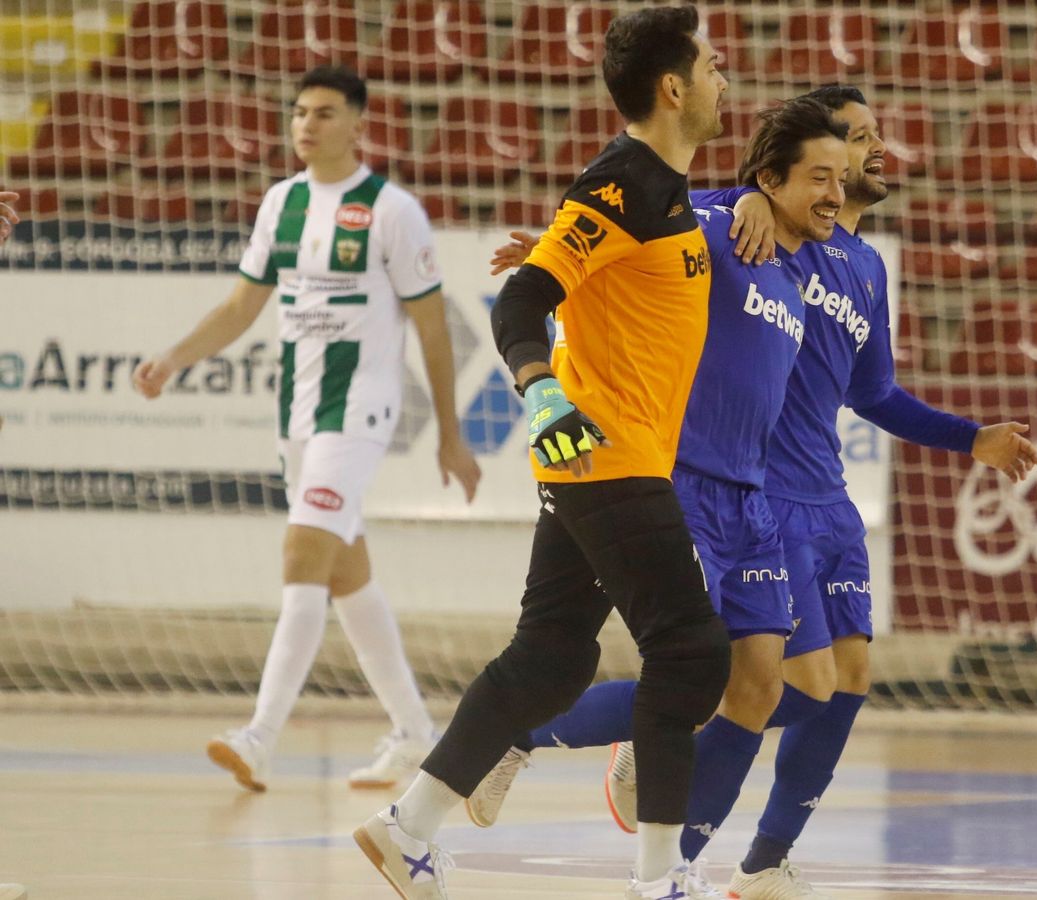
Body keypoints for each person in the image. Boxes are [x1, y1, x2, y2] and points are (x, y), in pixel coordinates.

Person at [481, 84, 1037, 900]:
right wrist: (726, 199)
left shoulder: (866, 266)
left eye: (877, 138)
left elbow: (874, 393)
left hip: (827, 497)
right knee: (753, 680)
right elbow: (654, 226)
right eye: (856, 137)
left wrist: (970, 437)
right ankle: (571, 763)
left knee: (838, 679)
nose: (870, 151)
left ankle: (761, 858)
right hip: (751, 488)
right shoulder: (750, 219)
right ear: (801, 167)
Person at [352, 8, 733, 900]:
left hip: (612, 456)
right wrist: (543, 388)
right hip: (602, 450)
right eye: (714, 66)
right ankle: (657, 881)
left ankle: (406, 826)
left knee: (556, 659)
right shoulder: (620, 182)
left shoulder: (669, 192)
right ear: (674, 88)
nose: (726, 80)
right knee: (690, 652)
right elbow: (520, 303)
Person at [465, 98, 848, 899]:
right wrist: (734, 198)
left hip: (755, 496)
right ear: (771, 178)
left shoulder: (815, 265)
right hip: (684, 478)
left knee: (791, 683)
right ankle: (527, 747)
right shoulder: (717, 227)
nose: (841, 188)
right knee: (697, 668)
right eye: (825, 174)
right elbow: (636, 240)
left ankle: (654, 790)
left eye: (846, 175)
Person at [133, 65, 480, 793]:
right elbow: (239, 307)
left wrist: (450, 431)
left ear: (358, 124)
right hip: (298, 409)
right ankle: (416, 733)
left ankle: (259, 736)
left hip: (361, 409)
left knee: (300, 551)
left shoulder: (393, 211)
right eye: (298, 112)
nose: (306, 125)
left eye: (323, 113)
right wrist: (173, 356)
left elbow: (433, 329)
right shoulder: (280, 203)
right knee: (346, 573)